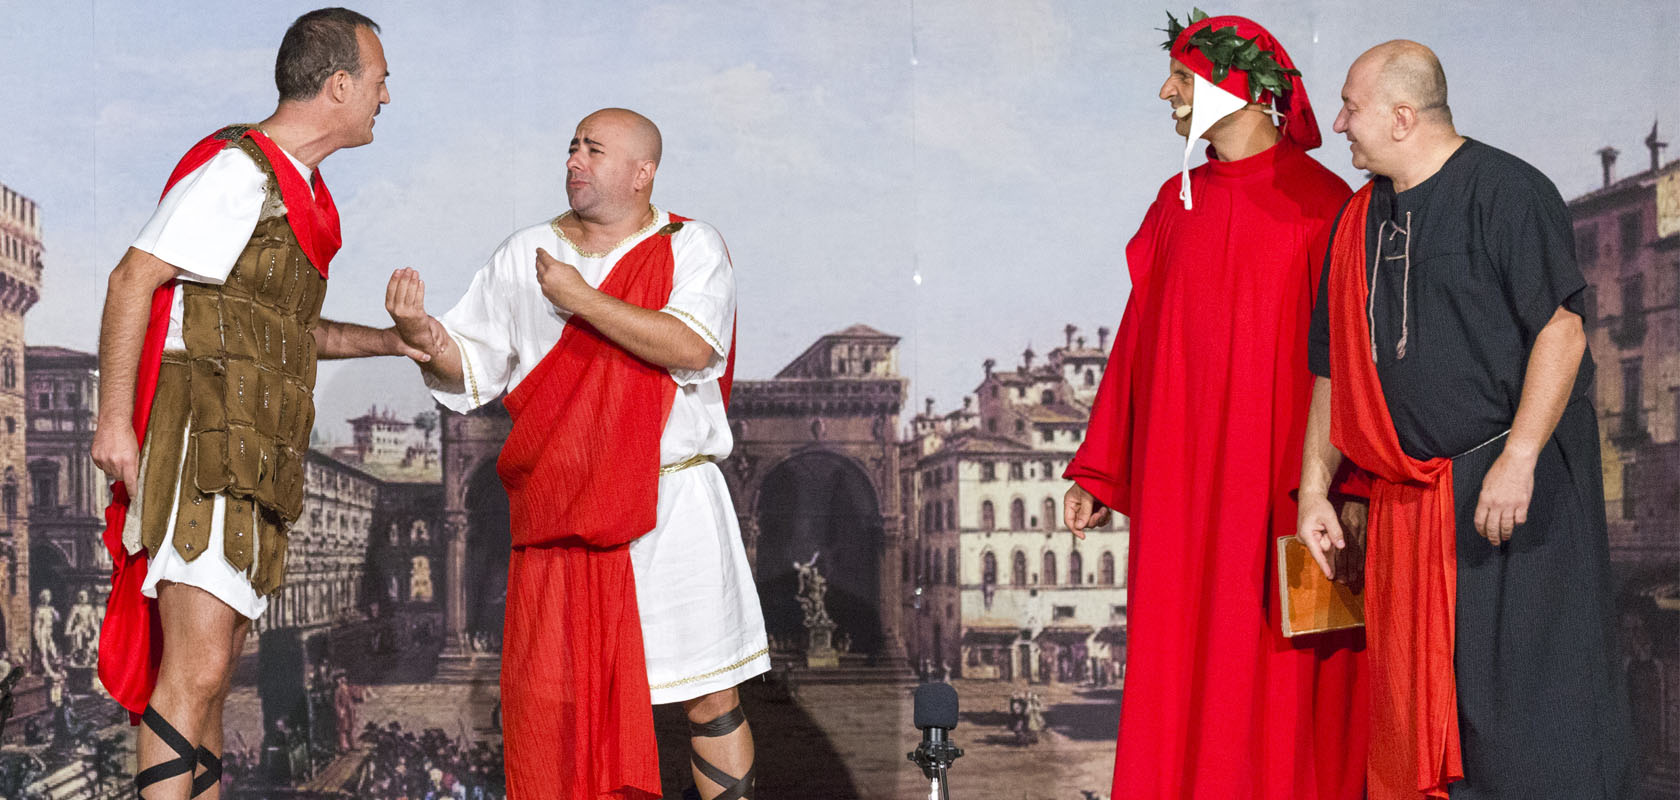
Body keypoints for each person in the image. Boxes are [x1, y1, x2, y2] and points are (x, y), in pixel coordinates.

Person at [89, 9, 424, 798]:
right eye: (379, 81)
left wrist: (392, 341)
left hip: (251, 460)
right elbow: (132, 279)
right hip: (205, 442)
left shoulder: (297, 192)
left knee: (209, 680)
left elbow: (289, 335)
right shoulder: (239, 172)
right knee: (196, 673)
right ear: (338, 84)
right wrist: (112, 423)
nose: (385, 97)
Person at [386, 108, 767, 800]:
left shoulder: (691, 246)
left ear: (643, 172)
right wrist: (426, 338)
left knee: (710, 697)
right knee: (563, 712)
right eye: (571, 148)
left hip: (672, 504)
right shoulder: (524, 252)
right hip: (563, 516)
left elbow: (691, 345)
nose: (574, 161)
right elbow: (472, 367)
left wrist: (581, 299)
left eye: (593, 150)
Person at [1297, 40, 1635, 799]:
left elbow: (1562, 333)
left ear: (1402, 117)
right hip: (1411, 510)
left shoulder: (1509, 191)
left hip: (1514, 495)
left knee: (1529, 720)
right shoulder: (1355, 221)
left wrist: (1520, 458)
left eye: (1351, 107)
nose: (1339, 123)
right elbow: (1334, 369)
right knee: (1431, 713)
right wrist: (1314, 489)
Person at [1062, 12, 1368, 799]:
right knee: (1180, 666)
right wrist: (1099, 470)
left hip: (1286, 491)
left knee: (1281, 678)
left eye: (1180, 77)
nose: (1165, 93)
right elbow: (1136, 341)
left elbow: (1353, 360)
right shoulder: (1176, 203)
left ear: (1234, 86)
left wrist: (1347, 486)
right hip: (1183, 495)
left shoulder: (1325, 205)